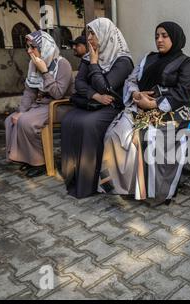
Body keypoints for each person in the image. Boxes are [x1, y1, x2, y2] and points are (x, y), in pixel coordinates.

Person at [98, 21, 190, 203]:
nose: (159, 40)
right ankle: (123, 186)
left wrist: (154, 104)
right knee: (115, 134)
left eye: (164, 36)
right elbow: (131, 79)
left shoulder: (188, 63)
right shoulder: (148, 58)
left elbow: (185, 92)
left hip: (173, 111)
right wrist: (136, 93)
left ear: (175, 38)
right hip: (140, 106)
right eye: (156, 36)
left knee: (146, 136)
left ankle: (152, 191)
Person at [61, 17, 133, 199]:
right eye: (88, 33)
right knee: (69, 120)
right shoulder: (89, 56)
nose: (89, 38)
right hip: (95, 103)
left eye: (93, 33)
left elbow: (107, 87)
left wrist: (94, 64)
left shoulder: (122, 60)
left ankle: (89, 182)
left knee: (87, 124)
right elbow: (79, 83)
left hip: (113, 107)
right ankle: (73, 177)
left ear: (105, 34)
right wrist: (96, 96)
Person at [4, 30, 73, 177]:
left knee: (26, 121)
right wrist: (21, 111)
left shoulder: (62, 64)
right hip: (42, 105)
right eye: (28, 47)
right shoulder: (33, 64)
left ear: (44, 47)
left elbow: (58, 94)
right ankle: (26, 159)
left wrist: (45, 71)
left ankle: (39, 162)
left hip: (60, 106)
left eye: (32, 47)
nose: (29, 51)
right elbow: (30, 91)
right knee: (11, 120)